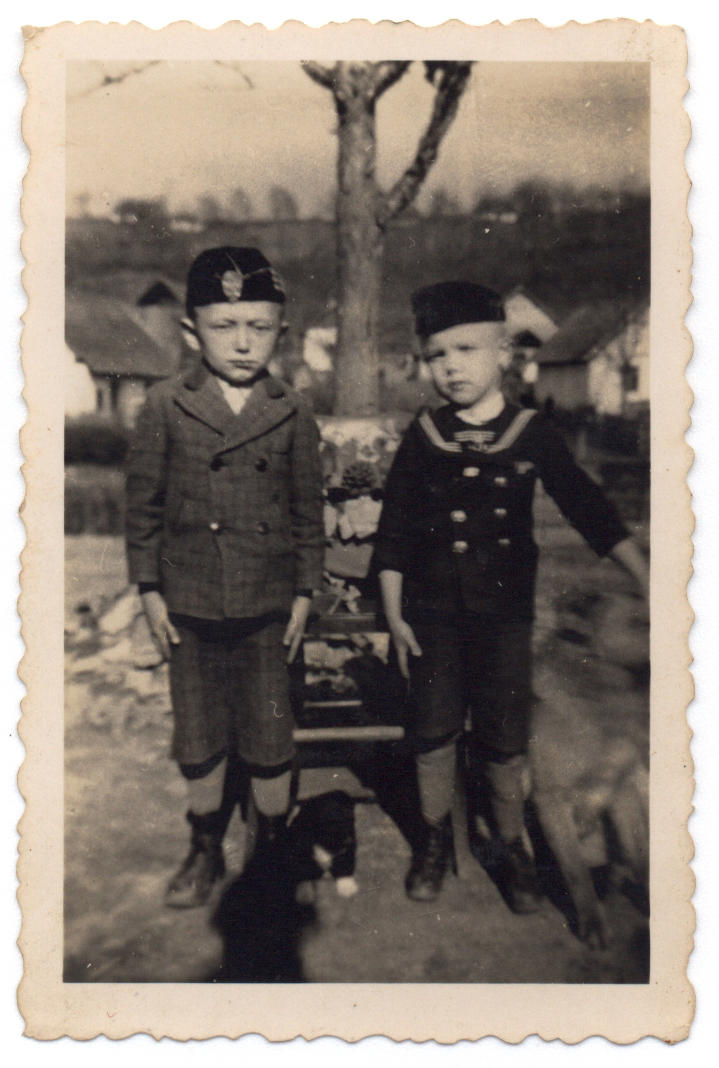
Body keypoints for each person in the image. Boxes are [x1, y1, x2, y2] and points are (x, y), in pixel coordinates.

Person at [374, 281, 649, 909]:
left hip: (504, 618)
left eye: (466, 349)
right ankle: (434, 841)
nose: (451, 367)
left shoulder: (531, 431)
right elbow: (394, 529)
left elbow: (586, 505)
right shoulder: (424, 434)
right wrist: (393, 611)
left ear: (504, 353)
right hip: (431, 616)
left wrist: (643, 573)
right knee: (434, 730)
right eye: (437, 355)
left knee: (503, 735)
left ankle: (509, 841)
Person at [125, 247, 324, 908]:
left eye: (259, 327)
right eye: (224, 326)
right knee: (200, 738)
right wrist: (149, 593)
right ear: (192, 332)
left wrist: (304, 592)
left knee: (269, 737)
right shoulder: (165, 405)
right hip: (190, 606)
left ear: (281, 333)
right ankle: (205, 845)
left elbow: (307, 513)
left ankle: (270, 852)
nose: (243, 343)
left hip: (268, 610)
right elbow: (143, 510)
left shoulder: (292, 410)